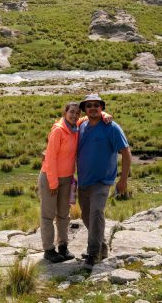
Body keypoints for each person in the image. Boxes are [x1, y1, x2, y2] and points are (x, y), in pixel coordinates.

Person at [38, 101, 112, 263]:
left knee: (64, 214)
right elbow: (50, 158)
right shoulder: (58, 130)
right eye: (71, 112)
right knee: (48, 215)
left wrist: (104, 115)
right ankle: (49, 250)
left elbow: (88, 117)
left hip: (67, 178)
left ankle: (63, 247)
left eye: (77, 113)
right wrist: (53, 183)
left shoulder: (75, 127)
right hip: (51, 178)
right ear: (65, 113)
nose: (74, 115)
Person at [77, 93, 131, 270]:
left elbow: (126, 153)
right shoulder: (80, 126)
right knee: (86, 216)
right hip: (84, 181)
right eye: (89, 105)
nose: (93, 108)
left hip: (103, 181)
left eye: (96, 105)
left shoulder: (112, 127)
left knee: (96, 213)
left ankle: (92, 254)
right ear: (85, 109)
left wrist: (123, 180)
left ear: (102, 108)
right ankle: (102, 246)